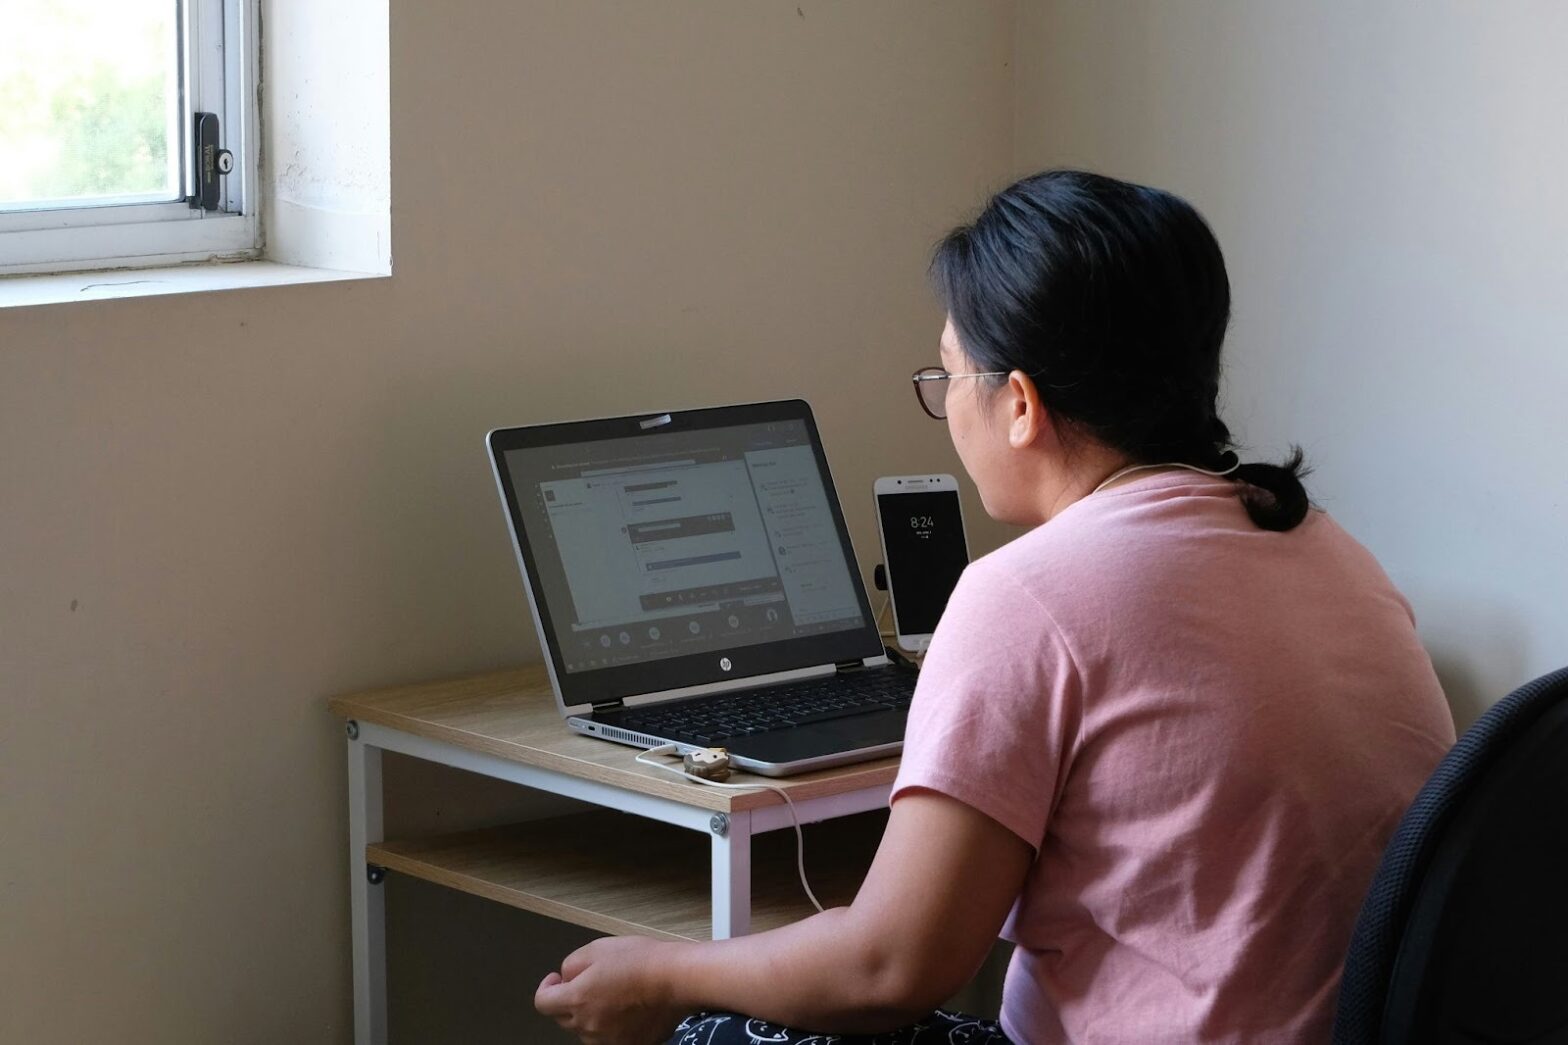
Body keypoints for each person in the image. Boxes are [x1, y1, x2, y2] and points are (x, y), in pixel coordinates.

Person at [534, 170, 1456, 1044]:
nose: (945, 406)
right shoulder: (1325, 546)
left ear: (1019, 403)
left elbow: (889, 966)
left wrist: (659, 973)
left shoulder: (1029, 591)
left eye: (947, 377)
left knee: (714, 1030)